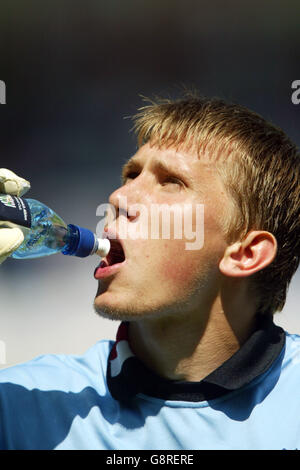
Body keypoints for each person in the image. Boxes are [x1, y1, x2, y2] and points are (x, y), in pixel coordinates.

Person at [0, 92, 299, 450]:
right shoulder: (21, 404)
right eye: (131, 174)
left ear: (245, 254)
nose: (117, 197)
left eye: (171, 181)